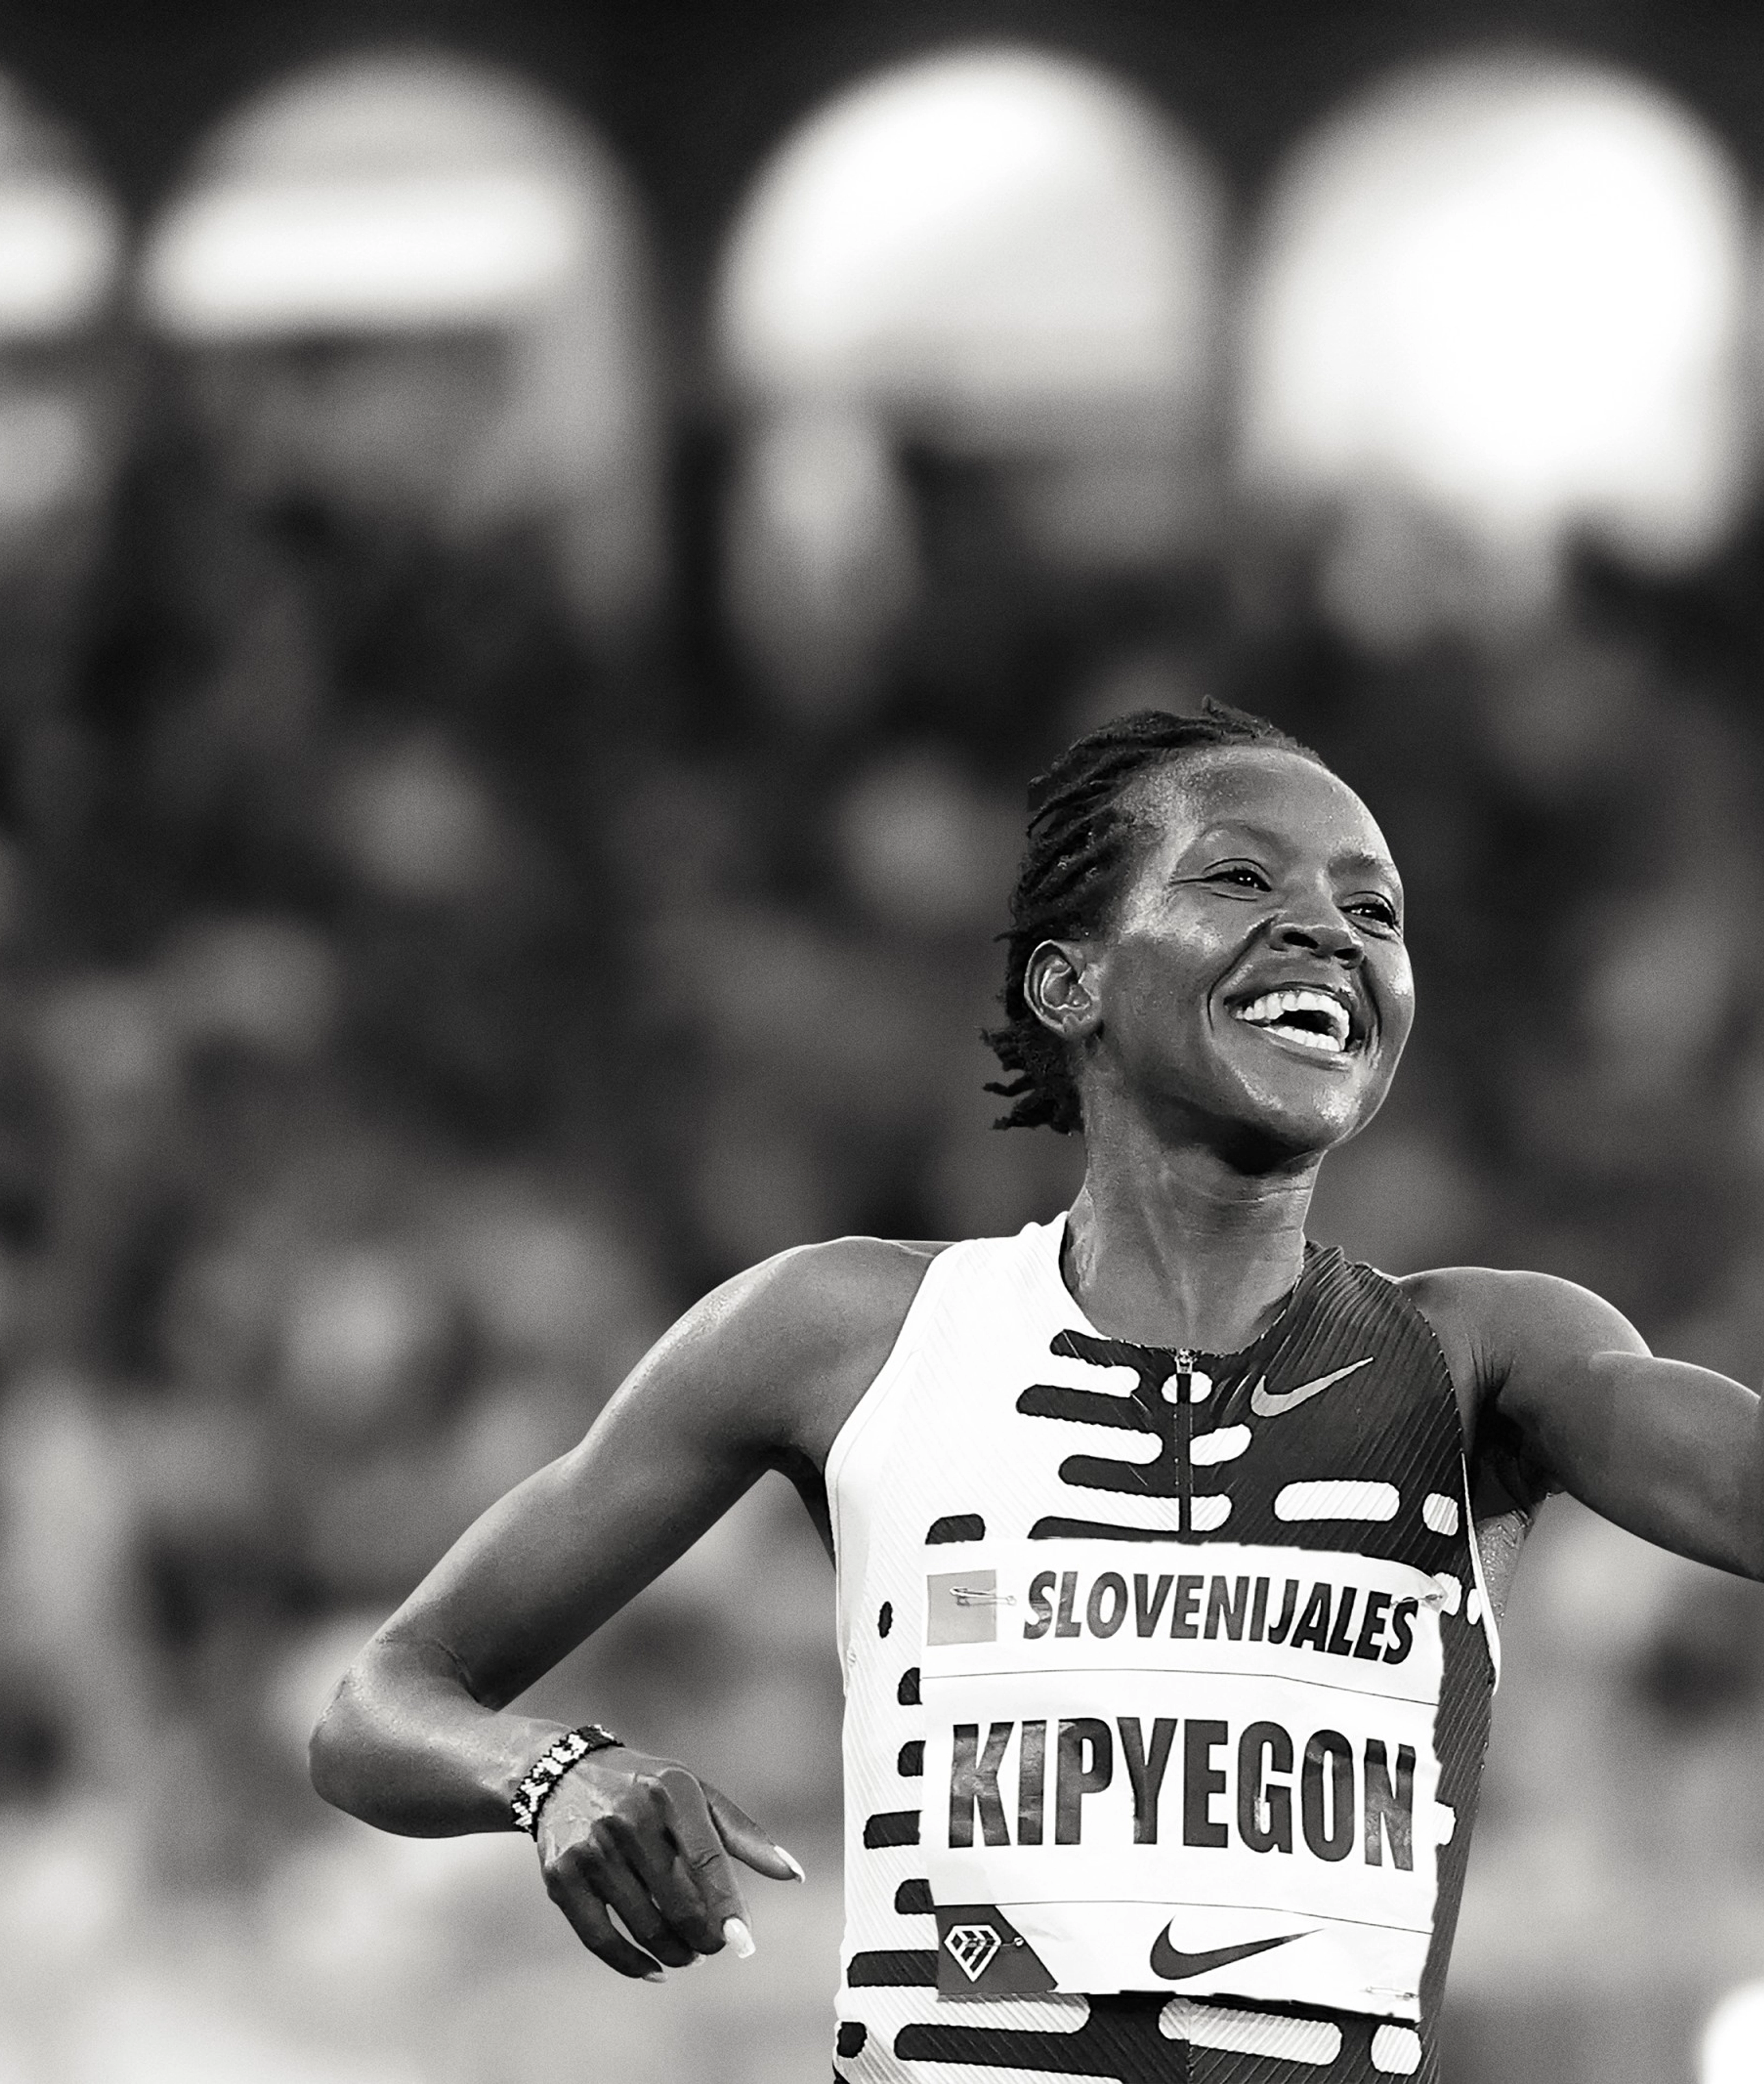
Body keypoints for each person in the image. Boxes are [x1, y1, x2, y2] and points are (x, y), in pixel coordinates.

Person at [310, 702, 1764, 2082]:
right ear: (1070, 983)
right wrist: (554, 1769)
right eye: (1242, 877)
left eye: (1375, 911)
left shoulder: (1489, 1358)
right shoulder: (847, 1334)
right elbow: (379, 1706)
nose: (1328, 928)